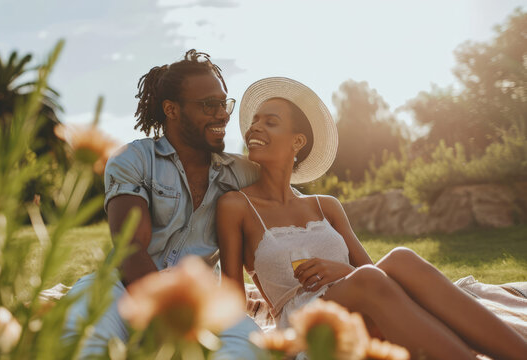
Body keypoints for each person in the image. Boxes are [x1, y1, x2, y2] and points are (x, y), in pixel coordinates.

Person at [216, 77, 527, 359]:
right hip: (306, 326)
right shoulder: (237, 206)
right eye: (254, 121)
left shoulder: (326, 206)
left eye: (270, 122)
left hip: (362, 305)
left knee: (401, 258)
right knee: (368, 279)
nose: (254, 128)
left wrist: (342, 271)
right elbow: (231, 299)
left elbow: (375, 274)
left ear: (298, 142)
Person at [61, 50, 265, 359]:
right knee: (81, 333)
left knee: (251, 345)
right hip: (122, 288)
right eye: (209, 105)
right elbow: (131, 247)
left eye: (223, 103)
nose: (222, 114)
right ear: (172, 109)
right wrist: (162, 323)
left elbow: (286, 190)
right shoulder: (133, 160)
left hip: (199, 304)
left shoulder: (242, 173)